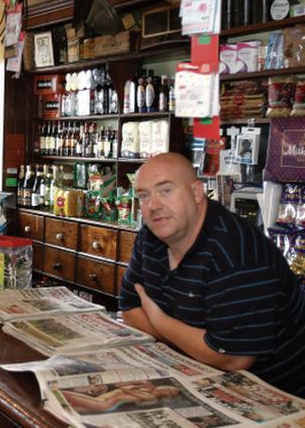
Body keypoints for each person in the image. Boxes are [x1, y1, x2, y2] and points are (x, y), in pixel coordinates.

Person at [119, 153, 305, 397]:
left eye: (165, 190)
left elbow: (233, 358)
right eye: (144, 195)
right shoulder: (151, 236)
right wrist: (197, 343)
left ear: (197, 193)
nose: (153, 205)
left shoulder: (237, 252)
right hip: (201, 377)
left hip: (276, 393)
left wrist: (159, 319)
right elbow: (130, 308)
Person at [60, 381, 180, 414]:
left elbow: (125, 389)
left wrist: (141, 384)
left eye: (170, 392)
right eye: (168, 387)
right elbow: (119, 385)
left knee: (61, 394)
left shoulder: (150, 397)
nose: (166, 390)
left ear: (168, 396)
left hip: (104, 404)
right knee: (63, 409)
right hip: (103, 400)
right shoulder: (148, 389)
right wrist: (141, 383)